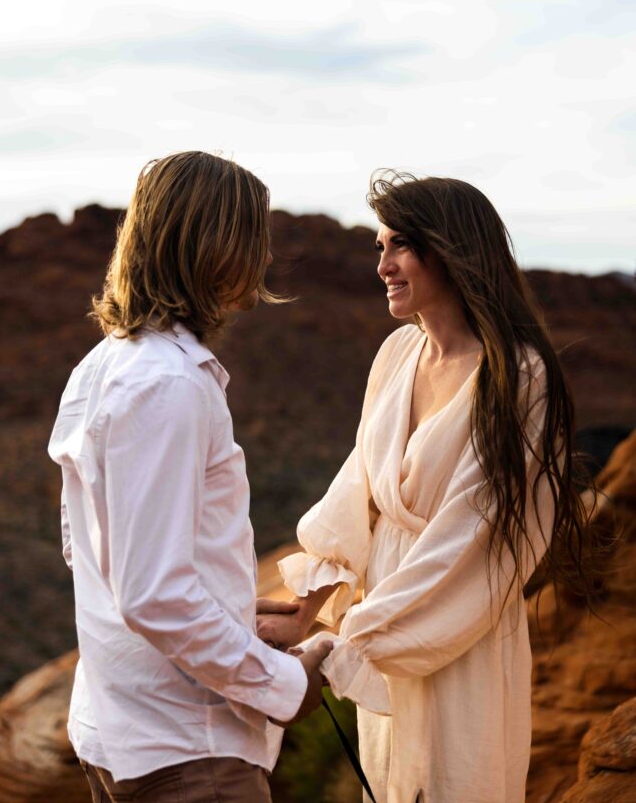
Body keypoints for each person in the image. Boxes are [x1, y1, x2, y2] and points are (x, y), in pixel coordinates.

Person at [257, 172, 593, 803]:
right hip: (384, 613)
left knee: (454, 781)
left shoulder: (519, 376)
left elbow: (474, 541)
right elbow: (356, 495)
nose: (382, 265)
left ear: (452, 249)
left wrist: (344, 647)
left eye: (399, 247)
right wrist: (307, 610)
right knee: (388, 785)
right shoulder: (395, 355)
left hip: (457, 624)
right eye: (378, 248)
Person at [48, 151, 332, 803]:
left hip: (119, 725)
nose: (262, 261)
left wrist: (226, 606)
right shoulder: (168, 385)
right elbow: (152, 593)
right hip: (186, 747)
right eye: (252, 239)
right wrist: (285, 686)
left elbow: (89, 547)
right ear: (213, 248)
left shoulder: (103, 364)